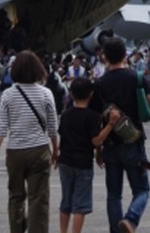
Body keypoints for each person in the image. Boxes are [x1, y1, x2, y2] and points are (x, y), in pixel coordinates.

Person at [91, 36, 150, 233]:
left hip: (110, 143)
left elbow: (96, 118)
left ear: (104, 57)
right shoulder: (136, 77)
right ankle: (130, 219)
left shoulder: (100, 83)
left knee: (113, 194)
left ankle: (116, 230)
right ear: (125, 55)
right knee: (142, 190)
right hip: (133, 141)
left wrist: (98, 148)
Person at [0, 50, 59, 233]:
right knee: (39, 198)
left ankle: (17, 229)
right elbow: (53, 128)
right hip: (39, 149)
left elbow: (2, 127)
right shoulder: (46, 93)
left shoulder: (8, 95)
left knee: (16, 196)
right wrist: (56, 150)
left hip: (15, 152)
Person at [57, 77, 116, 233]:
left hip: (65, 162)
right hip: (83, 163)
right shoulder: (92, 116)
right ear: (91, 94)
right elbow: (96, 140)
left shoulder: (66, 114)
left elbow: (61, 137)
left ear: (71, 95)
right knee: (80, 205)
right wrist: (110, 124)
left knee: (66, 201)